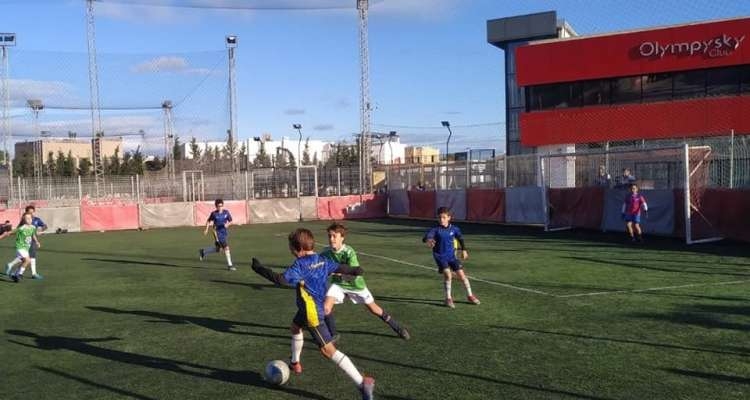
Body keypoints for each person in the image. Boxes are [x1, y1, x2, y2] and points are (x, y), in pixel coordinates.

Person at [251, 228, 375, 400]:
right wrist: (354, 270)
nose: (290, 250)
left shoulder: (300, 265)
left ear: (298, 249)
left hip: (312, 314)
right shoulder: (321, 260)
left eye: (290, 248)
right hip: (306, 309)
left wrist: (259, 269)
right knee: (295, 328)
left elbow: (280, 280)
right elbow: (339, 267)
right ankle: (295, 363)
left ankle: (362, 383)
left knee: (328, 350)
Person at [321, 223, 410, 341]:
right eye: (329, 236)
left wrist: (332, 272)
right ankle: (334, 334)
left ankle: (397, 327)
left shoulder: (349, 252)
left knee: (374, 309)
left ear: (342, 238)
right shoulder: (325, 252)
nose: (331, 239)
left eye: (334, 236)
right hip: (338, 284)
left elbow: (355, 272)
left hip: (355, 285)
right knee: (325, 308)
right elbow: (316, 263)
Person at [423, 207, 480, 308]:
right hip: (440, 256)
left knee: (462, 276)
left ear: (449, 218)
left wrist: (464, 250)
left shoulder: (454, 229)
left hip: (452, 256)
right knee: (448, 275)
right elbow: (426, 237)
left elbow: (460, 238)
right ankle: (448, 298)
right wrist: (428, 240)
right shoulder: (435, 230)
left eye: (444, 217)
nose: (441, 219)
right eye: (440, 217)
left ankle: (470, 295)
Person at [4, 213, 41, 283]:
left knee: (25, 261)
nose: (29, 220)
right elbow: (12, 232)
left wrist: (37, 242)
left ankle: (14, 274)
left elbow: (33, 235)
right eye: (26, 218)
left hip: (26, 248)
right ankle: (19, 274)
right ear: (24, 220)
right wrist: (7, 233)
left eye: (30, 218)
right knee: (27, 260)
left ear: (32, 219)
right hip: (20, 247)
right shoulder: (21, 228)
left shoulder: (33, 227)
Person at [199, 199, 234, 271]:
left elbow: (231, 221)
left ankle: (203, 251)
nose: (220, 207)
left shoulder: (226, 212)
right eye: (219, 206)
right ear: (216, 206)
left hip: (224, 233)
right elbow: (208, 221)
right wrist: (206, 229)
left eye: (221, 206)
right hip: (217, 233)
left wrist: (228, 224)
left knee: (218, 249)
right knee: (226, 248)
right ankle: (230, 265)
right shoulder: (214, 214)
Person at [18, 205, 48, 279]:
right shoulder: (24, 220)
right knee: (22, 258)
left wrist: (40, 230)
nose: (31, 214)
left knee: (32, 257)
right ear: (26, 212)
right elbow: (18, 229)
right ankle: (15, 270)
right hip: (24, 242)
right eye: (29, 212)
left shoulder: (37, 219)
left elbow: (45, 226)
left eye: (32, 212)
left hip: (33, 241)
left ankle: (33, 274)